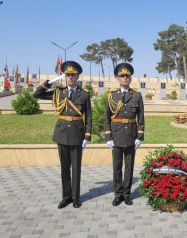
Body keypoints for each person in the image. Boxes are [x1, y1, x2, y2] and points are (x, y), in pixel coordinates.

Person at [33, 60, 92, 209]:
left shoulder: (84, 95)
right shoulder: (58, 92)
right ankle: (66, 197)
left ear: (78, 76)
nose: (70, 77)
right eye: (67, 75)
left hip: (77, 133)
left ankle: (76, 197)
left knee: (76, 168)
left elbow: (89, 117)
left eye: (73, 75)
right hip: (61, 133)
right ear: (64, 77)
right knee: (64, 168)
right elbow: (37, 94)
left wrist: (87, 136)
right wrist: (50, 82)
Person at [104, 63, 144, 206]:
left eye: (127, 76)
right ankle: (118, 194)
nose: (125, 78)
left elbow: (141, 118)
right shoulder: (111, 95)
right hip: (116, 135)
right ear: (118, 78)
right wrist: (108, 137)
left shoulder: (137, 96)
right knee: (116, 166)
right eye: (122, 76)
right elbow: (107, 117)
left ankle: (127, 194)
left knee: (129, 166)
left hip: (131, 135)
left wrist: (140, 136)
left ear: (130, 78)